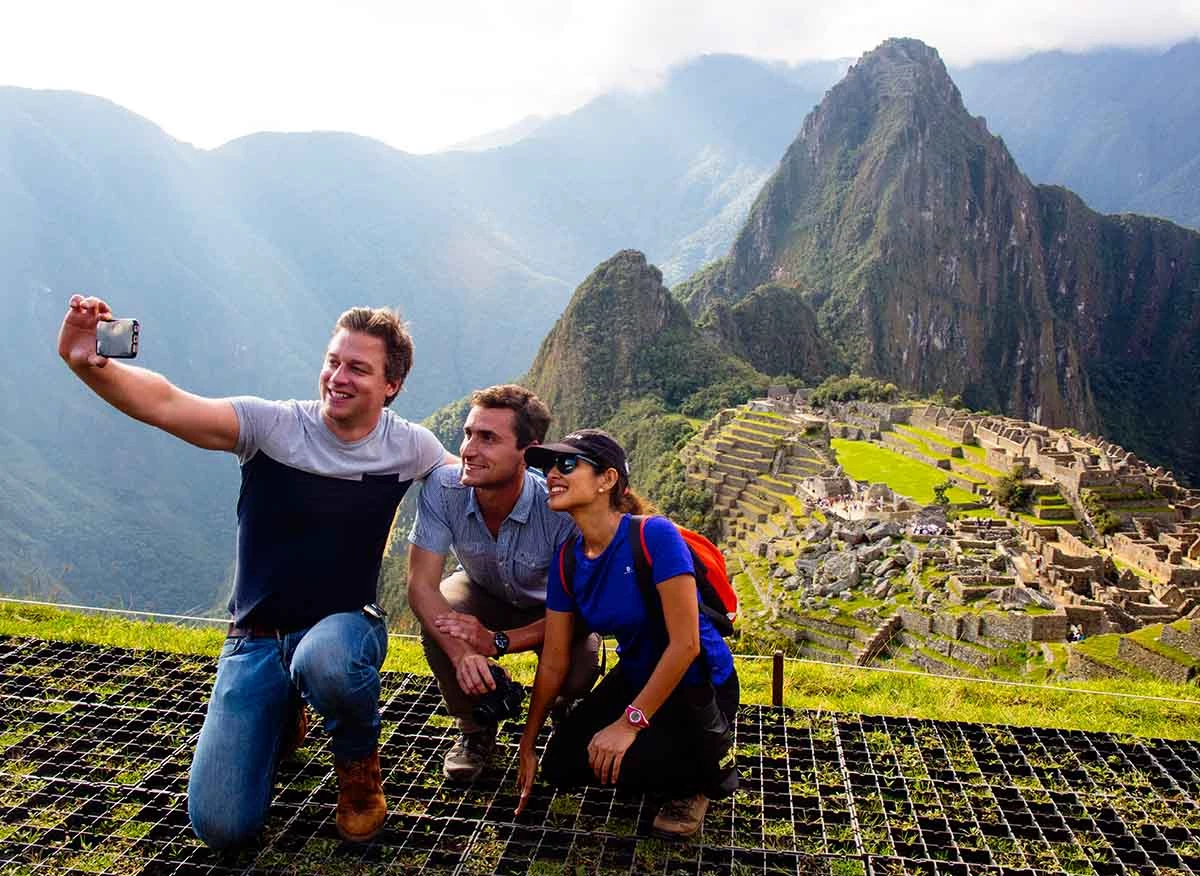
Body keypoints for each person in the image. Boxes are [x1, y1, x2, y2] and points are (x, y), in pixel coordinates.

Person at [57, 295, 454, 848]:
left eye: (358, 368)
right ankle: (286, 708)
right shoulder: (272, 427)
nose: (338, 377)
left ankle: (360, 777)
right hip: (256, 639)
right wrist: (87, 362)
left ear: (392, 385)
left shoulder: (410, 447)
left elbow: (474, 484)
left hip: (345, 628)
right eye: (333, 361)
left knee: (329, 662)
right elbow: (169, 403)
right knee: (222, 826)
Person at [515, 430, 739, 839]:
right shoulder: (568, 559)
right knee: (561, 766)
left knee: (633, 766)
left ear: (607, 480)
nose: (552, 474)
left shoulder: (654, 536)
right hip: (638, 674)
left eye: (567, 465)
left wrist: (629, 723)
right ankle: (659, 753)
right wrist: (528, 744)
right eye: (549, 466)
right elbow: (555, 658)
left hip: (696, 683)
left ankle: (695, 781)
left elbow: (686, 643)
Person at [408, 385, 601, 781]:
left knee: (580, 666)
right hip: (483, 591)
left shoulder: (560, 509)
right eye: (468, 434)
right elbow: (420, 585)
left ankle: (563, 706)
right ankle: (475, 729)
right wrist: (463, 653)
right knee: (443, 615)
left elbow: (585, 606)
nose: (469, 450)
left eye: (488, 439)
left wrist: (497, 641)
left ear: (527, 454)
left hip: (552, 607)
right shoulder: (444, 489)